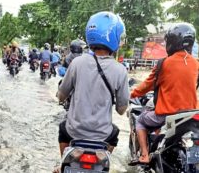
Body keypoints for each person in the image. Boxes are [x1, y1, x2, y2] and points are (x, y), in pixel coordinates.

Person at [57, 11, 129, 158]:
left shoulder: (77, 63)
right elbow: (122, 110)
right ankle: (103, 161)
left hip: (74, 133)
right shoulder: (120, 70)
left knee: (62, 128)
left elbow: (61, 96)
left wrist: (60, 96)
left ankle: (63, 163)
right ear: (113, 37)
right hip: (103, 136)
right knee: (115, 132)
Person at [129, 23, 198, 165]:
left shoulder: (164, 64)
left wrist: (131, 94)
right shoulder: (196, 64)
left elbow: (146, 86)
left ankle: (144, 155)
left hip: (168, 116)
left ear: (172, 42)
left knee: (141, 120)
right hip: (190, 116)